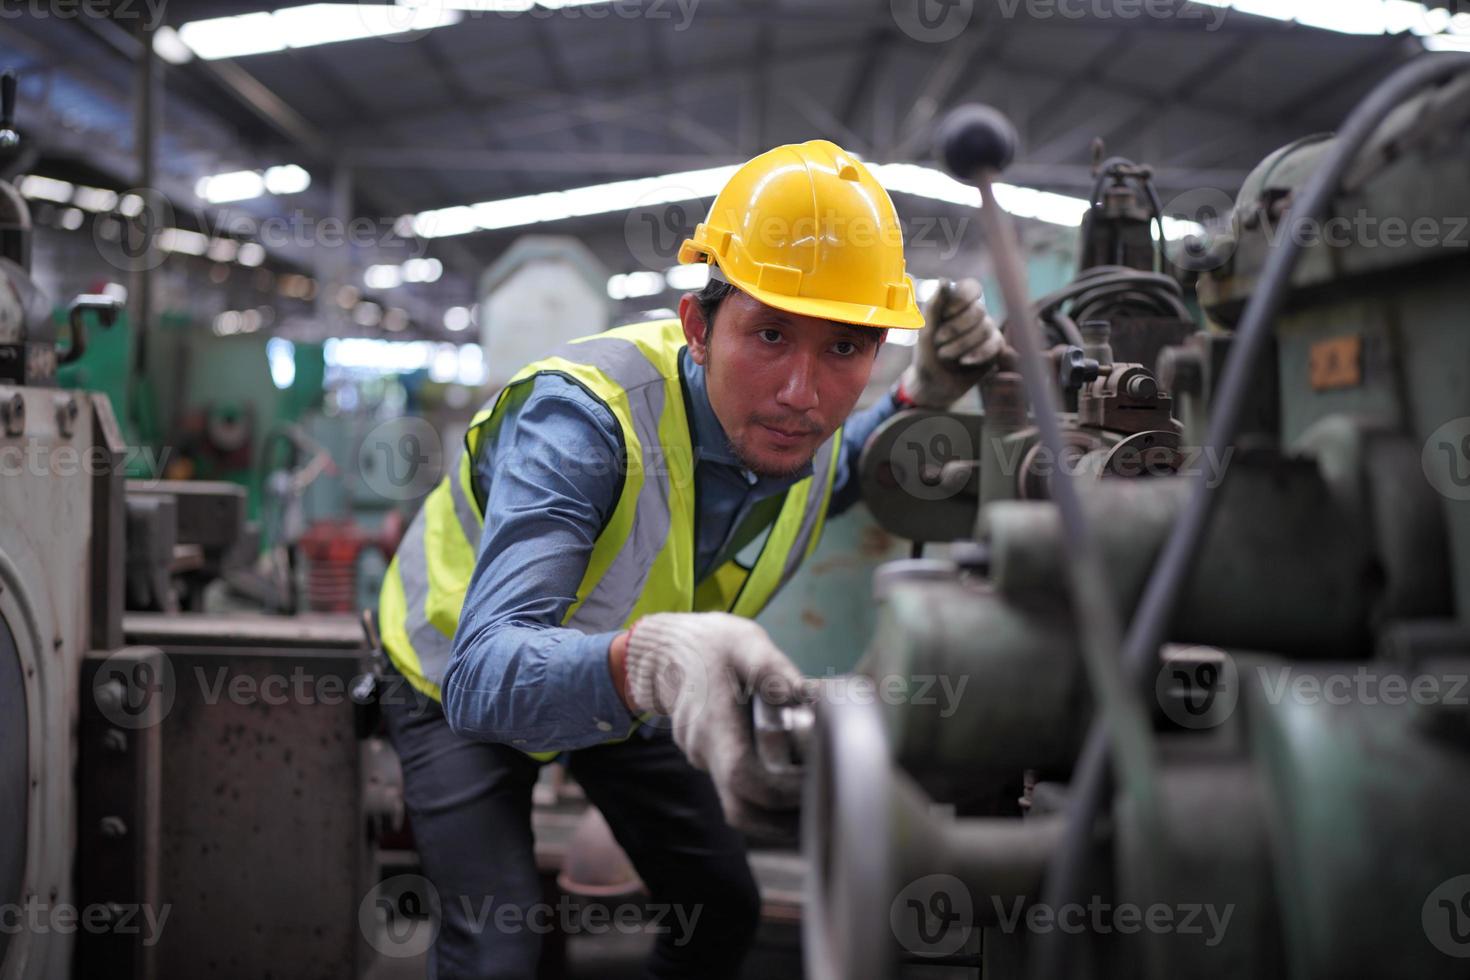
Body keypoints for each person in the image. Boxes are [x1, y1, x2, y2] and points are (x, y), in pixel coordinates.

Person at [376, 138, 1005, 979]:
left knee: (719, 907)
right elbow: (487, 674)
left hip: (621, 671)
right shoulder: (586, 425)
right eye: (771, 334)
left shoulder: (795, 436)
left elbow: (844, 466)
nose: (802, 393)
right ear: (699, 327)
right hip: (453, 668)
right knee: (498, 948)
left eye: (846, 348)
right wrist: (652, 660)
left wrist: (917, 397)